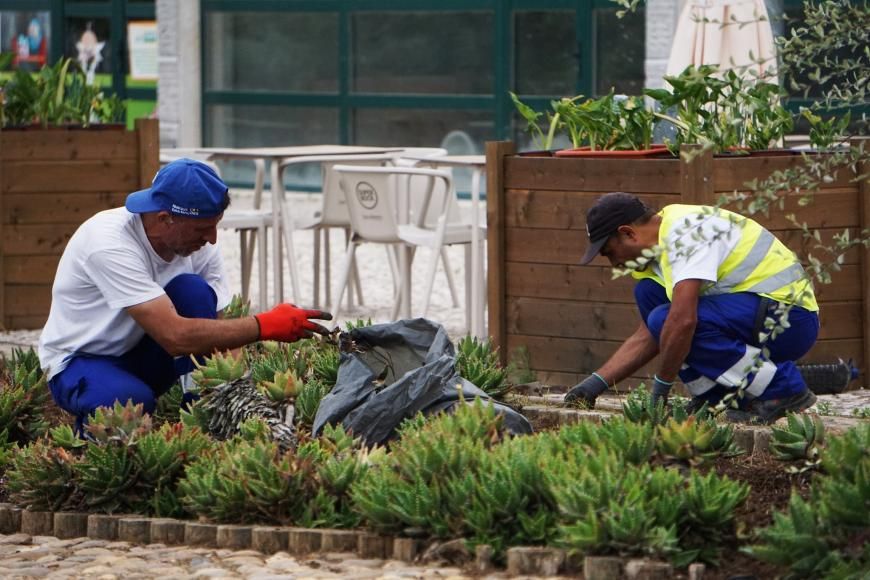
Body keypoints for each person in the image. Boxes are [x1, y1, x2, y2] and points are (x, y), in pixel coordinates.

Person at [38, 158, 331, 429]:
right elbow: (175, 337)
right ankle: (87, 445)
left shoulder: (199, 244)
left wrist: (238, 394)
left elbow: (218, 327)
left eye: (214, 226)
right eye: (202, 229)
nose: (212, 239)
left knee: (193, 291)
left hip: (142, 352)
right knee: (129, 405)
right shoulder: (108, 245)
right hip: (81, 361)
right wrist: (265, 325)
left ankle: (202, 419)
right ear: (165, 218)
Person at [564, 192, 820, 424]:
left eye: (610, 252)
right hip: (756, 314)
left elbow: (681, 322)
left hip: (791, 319)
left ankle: (783, 390)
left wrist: (660, 391)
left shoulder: (687, 233)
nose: (614, 263)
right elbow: (650, 336)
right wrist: (594, 384)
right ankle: (715, 397)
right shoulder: (656, 256)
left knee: (669, 319)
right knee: (649, 296)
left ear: (629, 233)